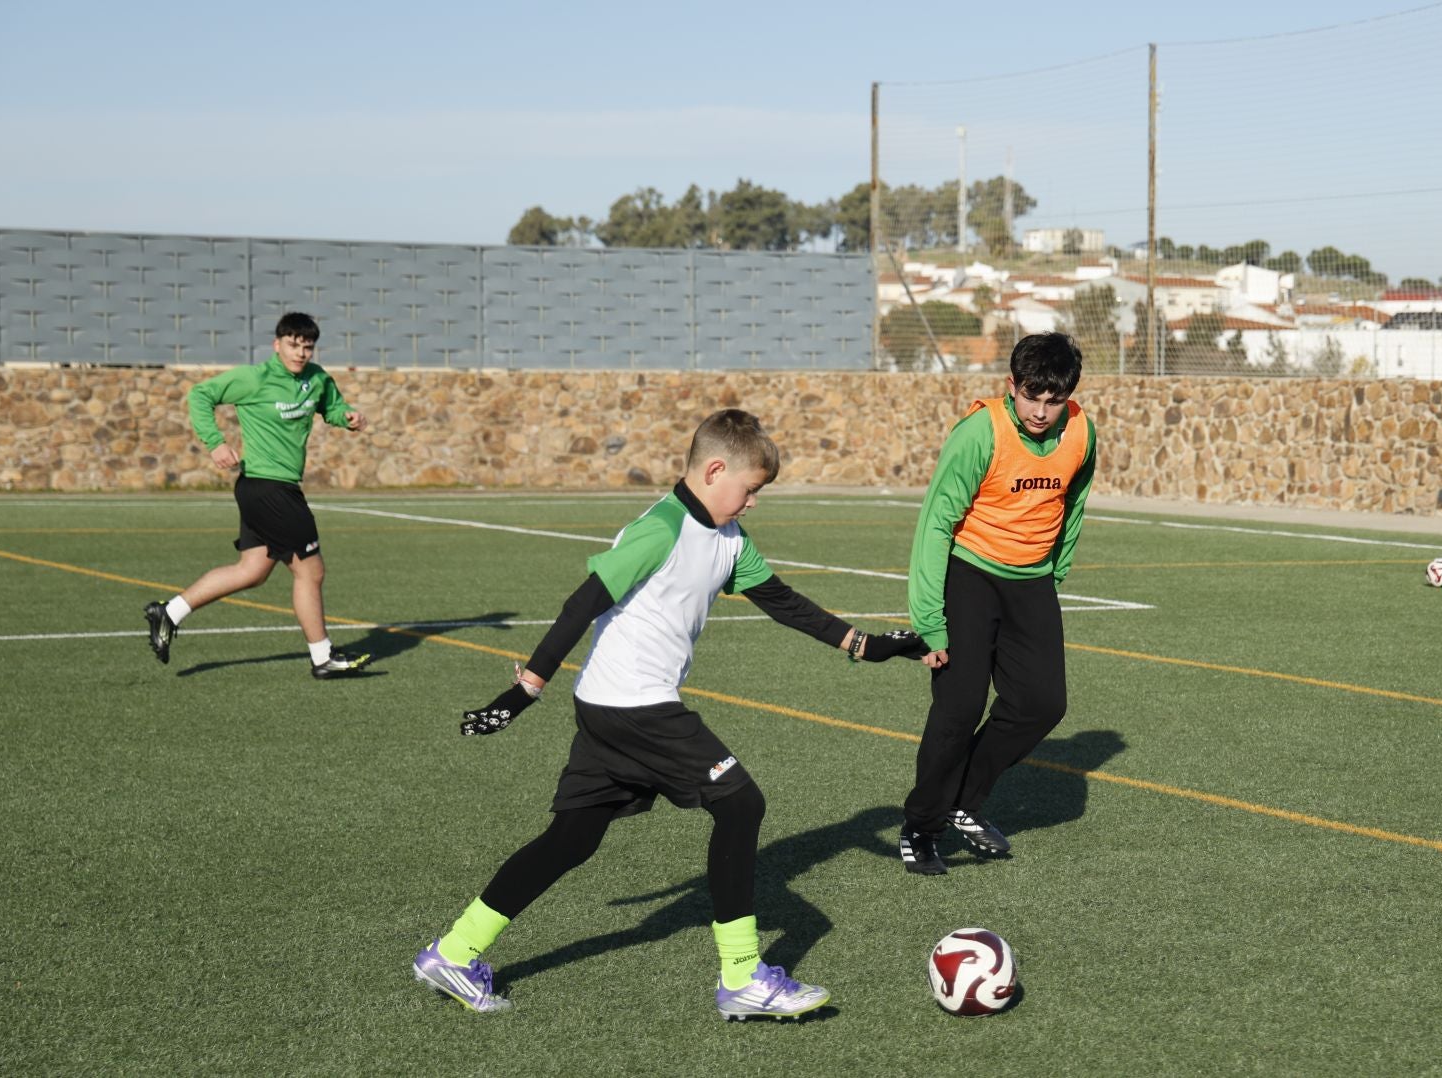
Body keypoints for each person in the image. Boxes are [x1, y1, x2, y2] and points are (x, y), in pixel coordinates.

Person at [412, 408, 926, 1016]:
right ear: (715, 470)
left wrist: (867, 646)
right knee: (740, 804)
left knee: (571, 839)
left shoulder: (730, 540)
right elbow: (582, 603)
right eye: (750, 489)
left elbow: (783, 602)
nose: (753, 502)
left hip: (608, 706)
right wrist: (524, 690)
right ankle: (743, 978)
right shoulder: (661, 529)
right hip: (638, 706)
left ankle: (454, 951)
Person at [898, 332, 1097, 876]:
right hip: (970, 575)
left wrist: (1056, 571)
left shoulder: (1082, 432)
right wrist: (929, 621)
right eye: (1031, 397)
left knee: (1042, 704)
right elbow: (935, 523)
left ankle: (962, 800)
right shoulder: (979, 432)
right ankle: (921, 824)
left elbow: (1074, 501)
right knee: (958, 711)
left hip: (1032, 582)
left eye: (1054, 400)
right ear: (1011, 386)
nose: (1041, 412)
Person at [142, 312, 372, 677]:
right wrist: (215, 443)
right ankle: (323, 657)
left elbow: (331, 407)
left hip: (270, 488)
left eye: (307, 347)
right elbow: (200, 395)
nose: (300, 353)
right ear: (277, 344)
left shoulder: (316, 378)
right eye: (293, 345)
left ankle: (169, 612)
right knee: (311, 572)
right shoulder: (254, 378)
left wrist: (348, 417)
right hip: (267, 487)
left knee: (252, 571)